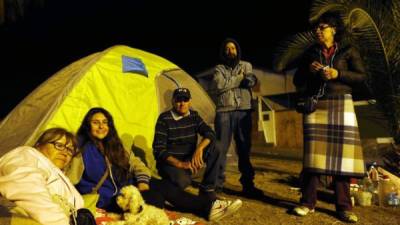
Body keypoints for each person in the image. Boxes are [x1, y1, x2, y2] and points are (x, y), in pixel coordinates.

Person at [67, 107, 242, 223]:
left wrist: (143, 183)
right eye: (96, 122)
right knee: (155, 198)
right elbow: (68, 181)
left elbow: (137, 164)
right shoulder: (80, 150)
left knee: (164, 186)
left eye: (105, 122)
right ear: (87, 125)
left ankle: (208, 207)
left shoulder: (115, 145)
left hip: (129, 187)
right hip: (110, 199)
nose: (101, 126)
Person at [292, 12, 366, 223]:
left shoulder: (348, 50)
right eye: (316, 28)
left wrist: (338, 74)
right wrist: (308, 70)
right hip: (317, 104)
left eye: (322, 27)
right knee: (314, 156)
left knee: (343, 157)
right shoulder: (310, 52)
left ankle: (343, 207)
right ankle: (307, 203)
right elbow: (298, 80)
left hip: (342, 102)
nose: (318, 31)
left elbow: (361, 76)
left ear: (333, 29)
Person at [0, 128, 88, 225]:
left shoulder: (61, 177)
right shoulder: (27, 154)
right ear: (39, 144)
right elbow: (27, 188)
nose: (65, 152)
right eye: (59, 145)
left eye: (70, 150)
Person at [210, 38, 262, 197]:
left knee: (244, 150)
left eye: (233, 48)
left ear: (237, 50)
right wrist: (239, 79)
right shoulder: (218, 68)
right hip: (224, 111)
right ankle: (217, 185)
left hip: (243, 111)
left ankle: (248, 185)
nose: (230, 51)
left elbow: (251, 80)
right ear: (223, 52)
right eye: (227, 48)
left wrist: (234, 81)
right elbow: (218, 86)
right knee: (221, 149)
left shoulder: (246, 65)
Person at [153, 87, 223, 200]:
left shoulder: (193, 116)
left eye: (185, 100)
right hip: (171, 163)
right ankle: (164, 185)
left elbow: (210, 133)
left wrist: (199, 149)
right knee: (183, 181)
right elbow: (158, 150)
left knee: (216, 146)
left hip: (189, 160)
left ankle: (207, 189)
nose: (182, 103)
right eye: (178, 100)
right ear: (173, 101)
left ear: (190, 101)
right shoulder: (164, 119)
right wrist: (180, 164)